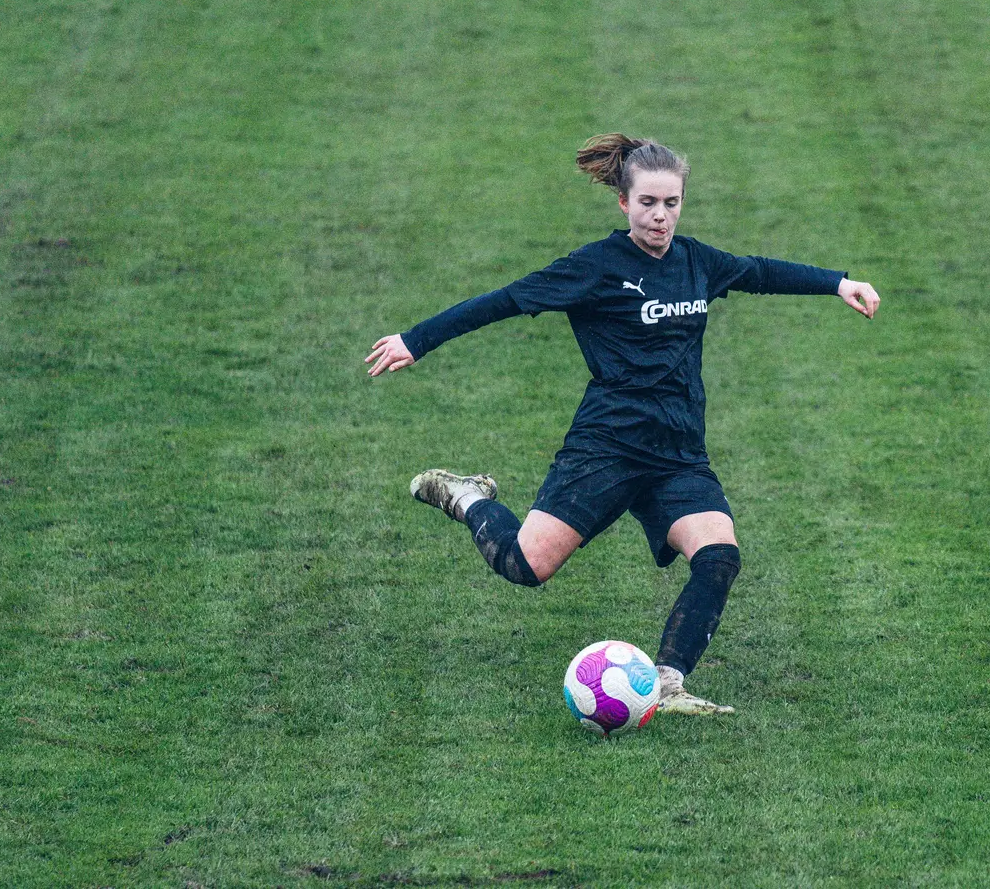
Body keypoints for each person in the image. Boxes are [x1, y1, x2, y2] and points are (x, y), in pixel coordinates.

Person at [367, 134, 879, 715]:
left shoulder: (696, 262)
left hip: (678, 453)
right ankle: (467, 497)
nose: (661, 216)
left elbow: (758, 270)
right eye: (648, 204)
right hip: (606, 447)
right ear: (624, 204)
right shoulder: (594, 268)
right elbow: (505, 301)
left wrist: (839, 282)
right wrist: (417, 339)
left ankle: (668, 682)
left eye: (672, 203)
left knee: (718, 558)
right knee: (525, 567)